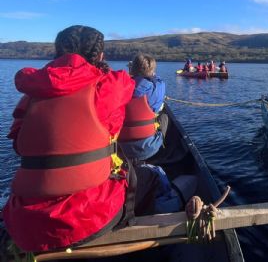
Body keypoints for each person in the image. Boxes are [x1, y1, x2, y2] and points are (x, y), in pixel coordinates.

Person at [3, 25, 135, 252]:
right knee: (143, 175)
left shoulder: (31, 95)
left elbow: (18, 145)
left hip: (25, 223)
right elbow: (125, 90)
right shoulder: (109, 86)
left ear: (56, 53)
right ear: (100, 56)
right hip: (90, 217)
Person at [119, 53, 167, 161]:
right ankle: (162, 147)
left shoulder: (121, 86)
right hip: (149, 147)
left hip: (121, 145)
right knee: (164, 117)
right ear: (152, 70)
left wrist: (131, 74)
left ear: (133, 68)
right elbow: (156, 80)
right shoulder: (159, 86)